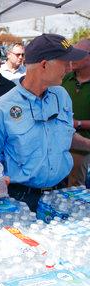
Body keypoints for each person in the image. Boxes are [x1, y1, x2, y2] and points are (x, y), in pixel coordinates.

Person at [0, 34, 89, 211]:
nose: (69, 68)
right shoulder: (1, 109)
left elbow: (64, 134)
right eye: (65, 62)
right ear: (44, 65)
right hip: (20, 199)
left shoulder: (62, 95)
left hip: (59, 192)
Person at [63, 39, 90, 186]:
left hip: (82, 148)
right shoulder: (66, 78)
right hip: (59, 143)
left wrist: (77, 123)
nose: (72, 57)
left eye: (78, 54)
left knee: (74, 189)